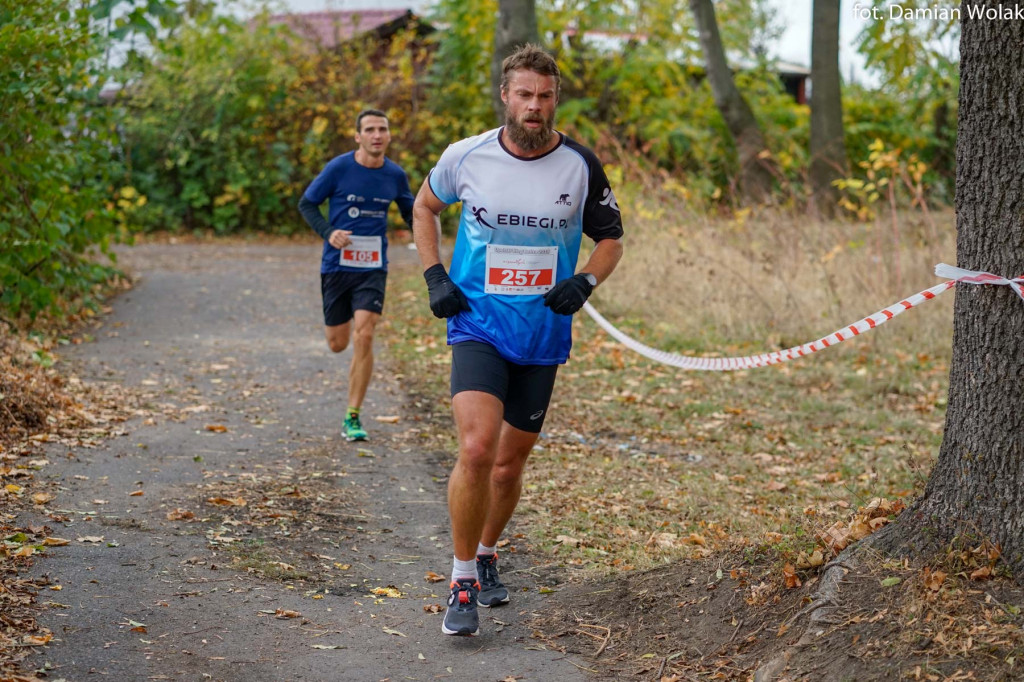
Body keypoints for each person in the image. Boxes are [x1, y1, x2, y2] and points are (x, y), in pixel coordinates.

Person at [411, 44, 624, 637]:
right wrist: (435, 277)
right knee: (477, 449)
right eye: (524, 94)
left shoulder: (580, 165)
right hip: (477, 323)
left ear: (556, 100)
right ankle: (460, 580)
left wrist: (584, 280)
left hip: (542, 332)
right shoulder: (467, 156)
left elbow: (611, 241)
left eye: (545, 96)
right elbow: (424, 207)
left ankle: (485, 552)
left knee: (508, 466)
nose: (534, 106)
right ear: (506, 95)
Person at [299, 109, 414, 442]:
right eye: (370, 130)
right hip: (337, 265)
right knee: (338, 344)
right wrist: (328, 231)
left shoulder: (395, 175)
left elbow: (412, 214)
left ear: (389, 136)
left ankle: (353, 415)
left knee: (365, 333)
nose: (377, 135)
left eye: (383, 129)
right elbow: (307, 204)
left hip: (372, 268)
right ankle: (344, 357)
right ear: (358, 136)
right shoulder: (339, 168)